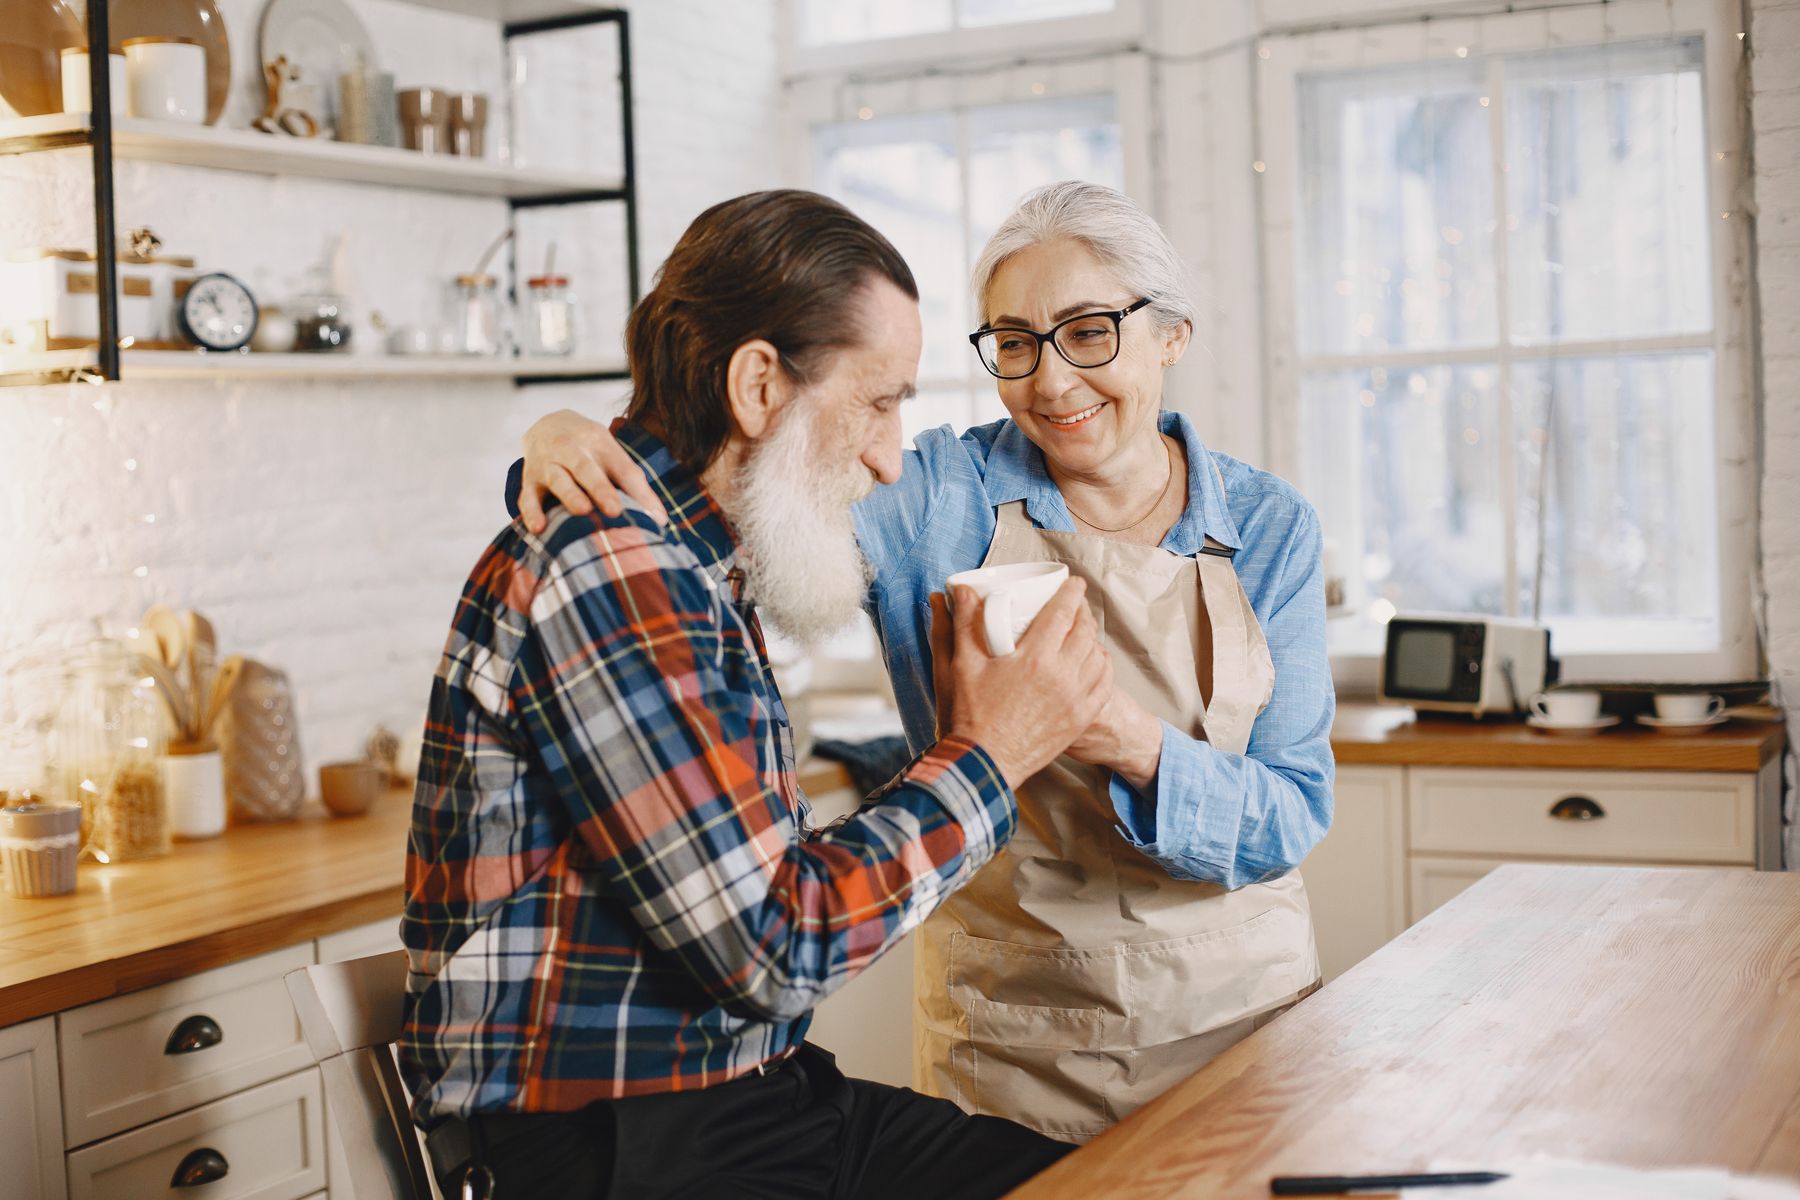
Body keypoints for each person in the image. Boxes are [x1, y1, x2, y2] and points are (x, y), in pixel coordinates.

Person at [514, 181, 1335, 1144]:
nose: (1052, 381)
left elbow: (1292, 811)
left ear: (1172, 334)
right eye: (1015, 345)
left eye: (1089, 332)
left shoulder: (1269, 526)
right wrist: (570, 440)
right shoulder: (933, 495)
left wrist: (1126, 741)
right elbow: (730, 478)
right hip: (1020, 1043)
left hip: (1236, 1029)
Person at [399, 188, 1115, 1199]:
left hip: (741, 1103)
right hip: (618, 1149)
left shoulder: (685, 563)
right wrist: (989, 756)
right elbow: (774, 951)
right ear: (758, 385)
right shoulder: (615, 572)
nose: (889, 454)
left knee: (1117, 1180)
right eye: (877, 401)